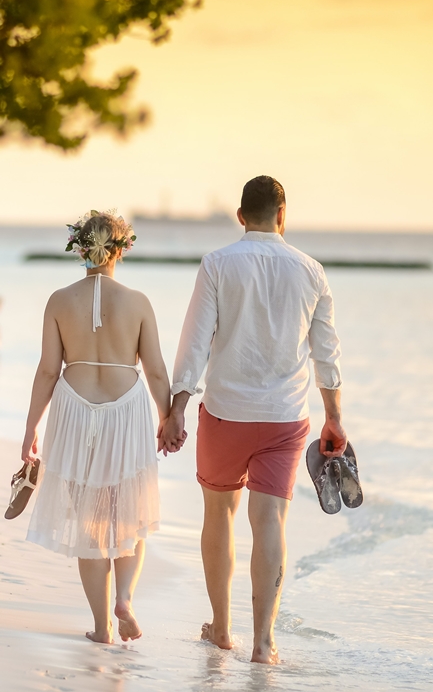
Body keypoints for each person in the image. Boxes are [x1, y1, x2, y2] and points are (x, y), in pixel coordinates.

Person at [163, 176, 346, 664]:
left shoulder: (218, 264)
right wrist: (335, 418)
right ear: (283, 215)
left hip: (225, 412)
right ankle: (264, 644)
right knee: (269, 521)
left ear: (240, 216)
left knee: (219, 514)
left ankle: (222, 632)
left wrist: (177, 406)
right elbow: (326, 353)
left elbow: (195, 341)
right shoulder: (312, 271)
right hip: (286, 418)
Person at [21, 210, 171, 644]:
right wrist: (168, 419)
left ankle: (103, 626)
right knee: (131, 514)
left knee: (89, 519)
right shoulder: (139, 302)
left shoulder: (58, 300)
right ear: (121, 248)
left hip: (74, 408)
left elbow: (49, 371)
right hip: (126, 409)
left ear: (79, 248)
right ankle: (124, 596)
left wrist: (32, 427)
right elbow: (157, 372)